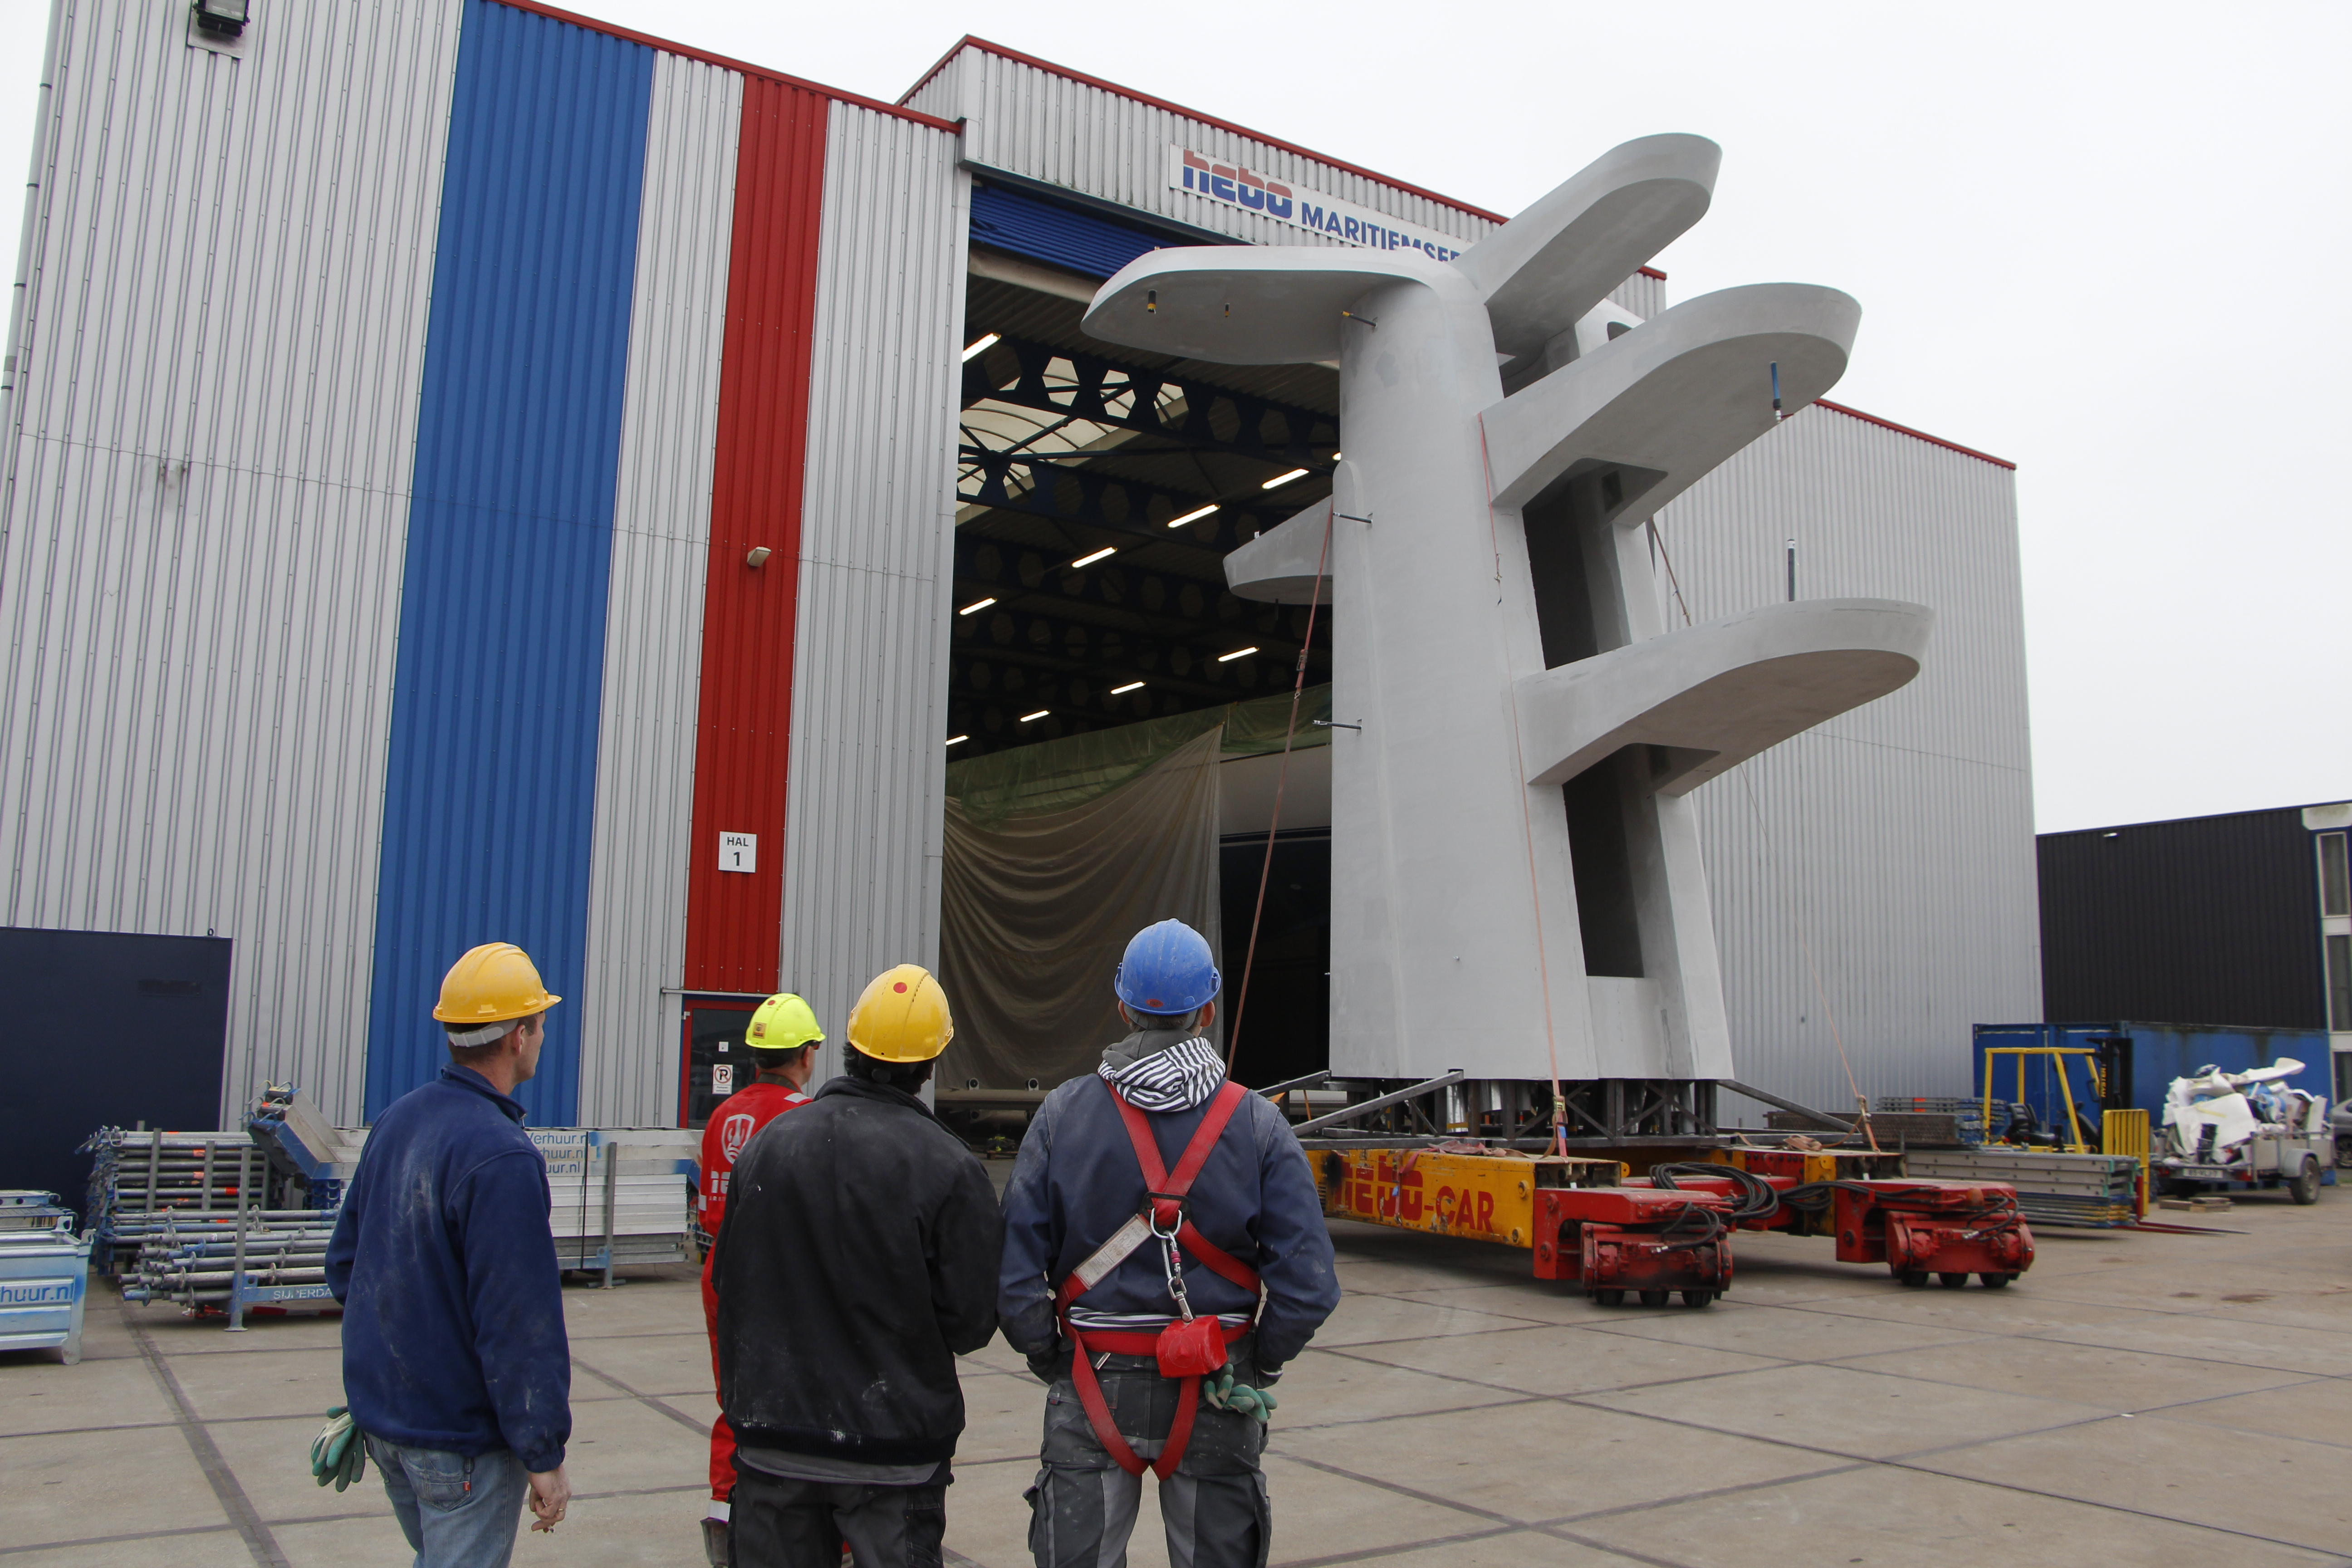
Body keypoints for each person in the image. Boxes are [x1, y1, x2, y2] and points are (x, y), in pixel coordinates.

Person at [998, 919, 1339, 1568]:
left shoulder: (1063, 1116)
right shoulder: (1261, 1126)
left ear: (1122, 1006)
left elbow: (1014, 1280)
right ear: (1208, 1011)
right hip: (1216, 1382)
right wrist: (1255, 1364)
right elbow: (1310, 1287)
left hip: (1092, 1379)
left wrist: (1055, 1360)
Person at [714, 964, 1004, 1568]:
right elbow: (972, 1324)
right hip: (892, 1455)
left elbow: (729, 1287)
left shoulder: (767, 1148)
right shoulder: (949, 1168)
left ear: (848, 1046)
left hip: (772, 1445)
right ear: (932, 1060)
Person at [324, 942, 573, 1567]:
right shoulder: (503, 1155)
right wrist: (543, 1453)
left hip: (387, 1422)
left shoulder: (398, 1121)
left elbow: (346, 1267)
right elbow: (519, 1324)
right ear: (518, 1036)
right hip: (458, 1444)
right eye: (540, 1024)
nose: (543, 1037)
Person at [697, 993, 825, 1566]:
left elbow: (708, 1209)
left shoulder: (725, 1114)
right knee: (801, 1398)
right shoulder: (804, 1114)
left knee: (734, 1396)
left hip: (720, 1272)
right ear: (807, 1053)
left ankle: (725, 1516)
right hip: (780, 1276)